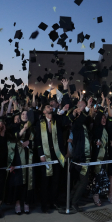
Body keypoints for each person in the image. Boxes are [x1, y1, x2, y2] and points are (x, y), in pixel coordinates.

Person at [34, 79, 70, 213]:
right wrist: (41, 154)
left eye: (51, 106)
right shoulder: (40, 123)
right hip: (45, 155)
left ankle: (53, 202)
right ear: (43, 111)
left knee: (56, 181)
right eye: (47, 106)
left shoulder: (58, 120)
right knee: (45, 181)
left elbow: (67, 104)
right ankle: (44, 204)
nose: (50, 107)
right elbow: (37, 140)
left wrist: (65, 88)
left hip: (57, 154)